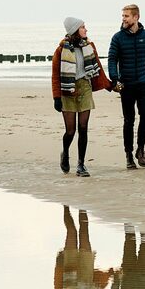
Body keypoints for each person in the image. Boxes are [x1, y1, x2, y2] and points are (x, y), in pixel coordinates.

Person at [51, 16, 118, 177]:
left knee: (83, 128)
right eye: (82, 27)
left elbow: (98, 69)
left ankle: (81, 164)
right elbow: (55, 75)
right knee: (70, 131)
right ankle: (65, 153)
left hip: (85, 87)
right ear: (75, 30)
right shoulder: (61, 50)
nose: (86, 30)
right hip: (68, 90)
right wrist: (57, 97)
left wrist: (111, 85)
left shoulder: (89, 46)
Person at [107, 3, 145, 170]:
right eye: (123, 16)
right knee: (129, 120)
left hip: (143, 82)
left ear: (136, 17)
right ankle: (128, 155)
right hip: (126, 84)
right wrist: (115, 78)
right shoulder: (117, 38)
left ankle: (141, 149)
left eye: (126, 16)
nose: (123, 19)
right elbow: (112, 59)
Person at [54, 206, 114, 289]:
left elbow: (58, 287)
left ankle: (66, 206)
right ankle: (82, 207)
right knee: (85, 233)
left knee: (71, 231)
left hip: (69, 266)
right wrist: (109, 275)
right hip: (87, 273)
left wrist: (58, 266)